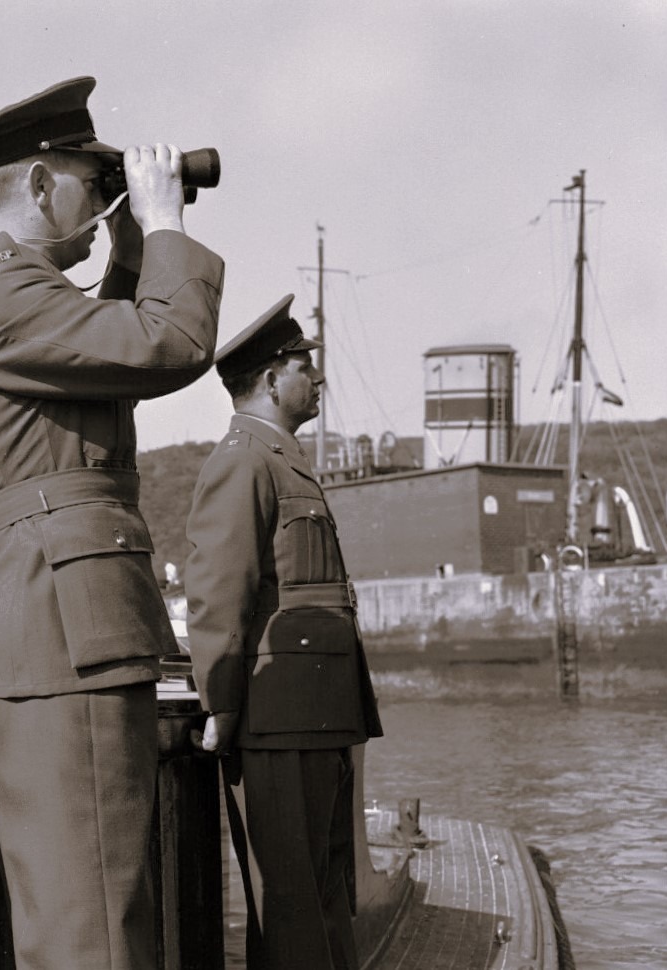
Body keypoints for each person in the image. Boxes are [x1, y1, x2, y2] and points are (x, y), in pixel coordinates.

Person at [0, 75, 224, 969]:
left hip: (49, 640)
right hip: (59, 643)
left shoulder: (9, 296)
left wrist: (132, 246)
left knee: (87, 918)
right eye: (94, 188)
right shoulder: (2, 295)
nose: (101, 210)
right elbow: (167, 345)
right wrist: (167, 223)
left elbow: (111, 342)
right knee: (94, 932)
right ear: (42, 182)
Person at [183, 293, 383, 970]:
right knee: (294, 904)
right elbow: (217, 595)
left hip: (316, 715)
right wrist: (221, 705)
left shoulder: (281, 458)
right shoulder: (243, 462)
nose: (316, 377)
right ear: (271, 378)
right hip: (275, 718)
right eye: (305, 365)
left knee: (324, 898)